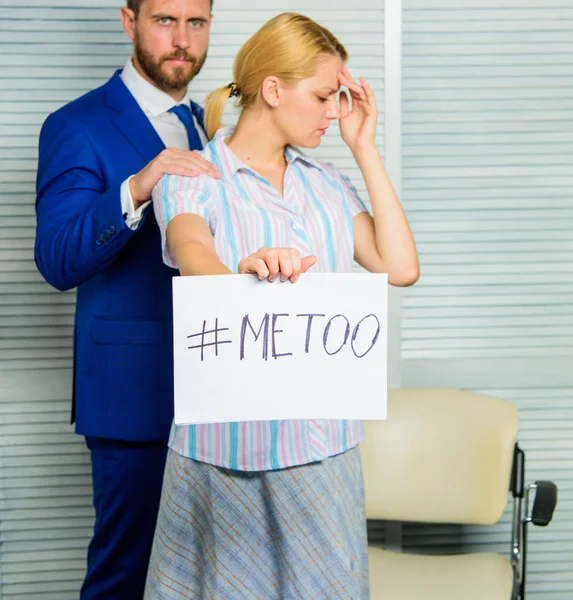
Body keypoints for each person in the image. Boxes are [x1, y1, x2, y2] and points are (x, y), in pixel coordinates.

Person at [144, 12, 419, 599]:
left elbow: (400, 268)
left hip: (323, 451)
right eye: (324, 96)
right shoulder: (194, 175)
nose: (333, 111)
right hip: (223, 455)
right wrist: (235, 278)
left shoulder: (327, 184)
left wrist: (364, 148)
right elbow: (191, 248)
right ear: (273, 89)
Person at [34, 1, 220, 597]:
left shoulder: (211, 121)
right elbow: (57, 259)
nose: (182, 40)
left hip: (221, 389)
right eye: (166, 20)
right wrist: (138, 186)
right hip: (132, 396)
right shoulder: (78, 125)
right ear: (129, 21)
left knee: (208, 574)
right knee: (126, 574)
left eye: (197, 23)